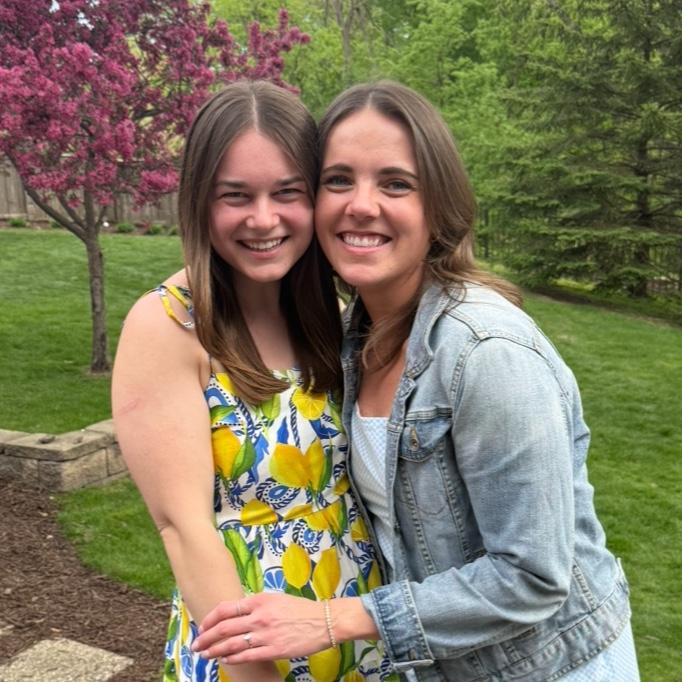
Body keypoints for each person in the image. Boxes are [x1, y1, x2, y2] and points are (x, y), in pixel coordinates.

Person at [191, 81, 640, 681]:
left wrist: (336, 619)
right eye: (339, 180)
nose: (361, 205)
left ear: (438, 208)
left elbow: (532, 576)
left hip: (549, 667)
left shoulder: (485, 351)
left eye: (396, 183)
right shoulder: (354, 338)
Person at [112, 80, 393, 682]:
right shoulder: (168, 326)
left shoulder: (328, 315)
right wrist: (255, 674)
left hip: (359, 638)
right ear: (200, 201)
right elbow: (184, 530)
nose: (263, 219)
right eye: (235, 195)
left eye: (287, 193)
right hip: (248, 657)